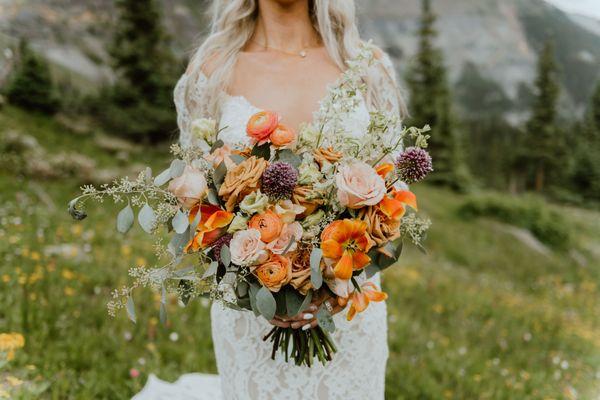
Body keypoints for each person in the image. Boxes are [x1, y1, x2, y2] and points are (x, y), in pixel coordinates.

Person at [164, 0, 404, 398]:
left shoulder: (366, 66)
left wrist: (331, 288)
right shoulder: (212, 68)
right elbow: (194, 199)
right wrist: (257, 278)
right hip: (251, 317)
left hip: (348, 313)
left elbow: (391, 193)